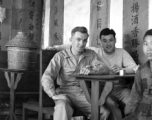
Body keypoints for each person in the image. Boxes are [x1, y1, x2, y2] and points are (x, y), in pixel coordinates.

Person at [41, 27, 122, 120]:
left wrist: (92, 71)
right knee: (61, 108)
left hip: (84, 93)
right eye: (78, 40)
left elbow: (104, 69)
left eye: (84, 40)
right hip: (65, 93)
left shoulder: (91, 54)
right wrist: (53, 94)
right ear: (71, 40)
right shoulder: (60, 56)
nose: (81, 44)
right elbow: (47, 76)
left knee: (104, 112)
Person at [48, 28, 138, 109]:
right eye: (104, 41)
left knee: (134, 104)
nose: (108, 44)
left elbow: (135, 68)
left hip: (120, 89)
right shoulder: (95, 51)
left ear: (115, 40)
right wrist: (55, 47)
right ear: (100, 42)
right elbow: (76, 45)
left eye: (111, 40)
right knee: (110, 105)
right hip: (102, 89)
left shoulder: (121, 52)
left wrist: (121, 70)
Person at [124, 29, 152, 120]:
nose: (149, 48)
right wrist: (129, 113)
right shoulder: (141, 70)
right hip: (144, 110)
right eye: (145, 44)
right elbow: (135, 95)